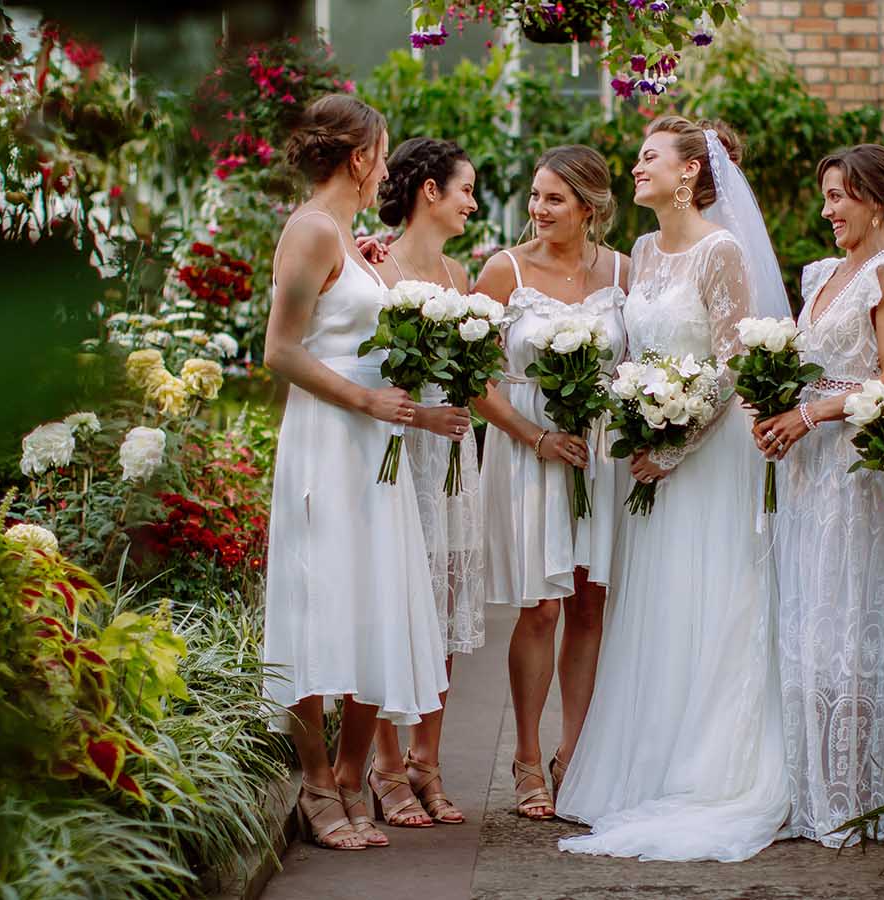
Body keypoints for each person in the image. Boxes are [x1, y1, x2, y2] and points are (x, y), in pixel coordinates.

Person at [555, 117, 790, 862]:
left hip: (708, 457)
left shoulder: (722, 252)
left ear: (690, 171)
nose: (635, 167)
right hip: (649, 457)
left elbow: (732, 363)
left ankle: (709, 767)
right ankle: (648, 762)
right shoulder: (645, 253)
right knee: (655, 603)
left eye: (648, 157)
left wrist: (678, 442)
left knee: (709, 596)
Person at [262, 96, 465, 850]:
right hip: (328, 438)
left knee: (375, 600)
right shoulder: (310, 230)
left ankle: (352, 780)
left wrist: (373, 270)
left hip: (373, 450)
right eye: (380, 151)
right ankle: (317, 784)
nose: (386, 163)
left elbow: (345, 314)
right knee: (319, 600)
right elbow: (281, 350)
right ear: (358, 158)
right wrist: (367, 399)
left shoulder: (347, 237)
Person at [752, 144, 884, 847]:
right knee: (806, 628)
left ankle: (854, 798)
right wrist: (771, 400)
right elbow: (811, 367)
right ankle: (809, 793)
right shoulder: (820, 273)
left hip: (854, 472)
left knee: (847, 628)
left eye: (838, 197)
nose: (827, 211)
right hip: (804, 472)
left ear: (876, 201)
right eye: (825, 197)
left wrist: (810, 413)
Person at [473, 145, 630, 820]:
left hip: (601, 452)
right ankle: (528, 758)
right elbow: (472, 379)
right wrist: (534, 435)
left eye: (554, 200)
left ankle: (578, 753)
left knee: (590, 607)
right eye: (535, 196)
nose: (538, 211)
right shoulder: (503, 271)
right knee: (538, 607)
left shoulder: (626, 270)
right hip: (528, 449)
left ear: (590, 208)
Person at [363, 137, 487, 828]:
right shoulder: (371, 265)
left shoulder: (459, 274)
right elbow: (361, 374)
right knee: (394, 600)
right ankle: (385, 768)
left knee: (440, 604)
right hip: (398, 451)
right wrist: (421, 410)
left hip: (449, 460)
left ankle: (427, 763)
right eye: (464, 189)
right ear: (429, 191)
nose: (472, 201)